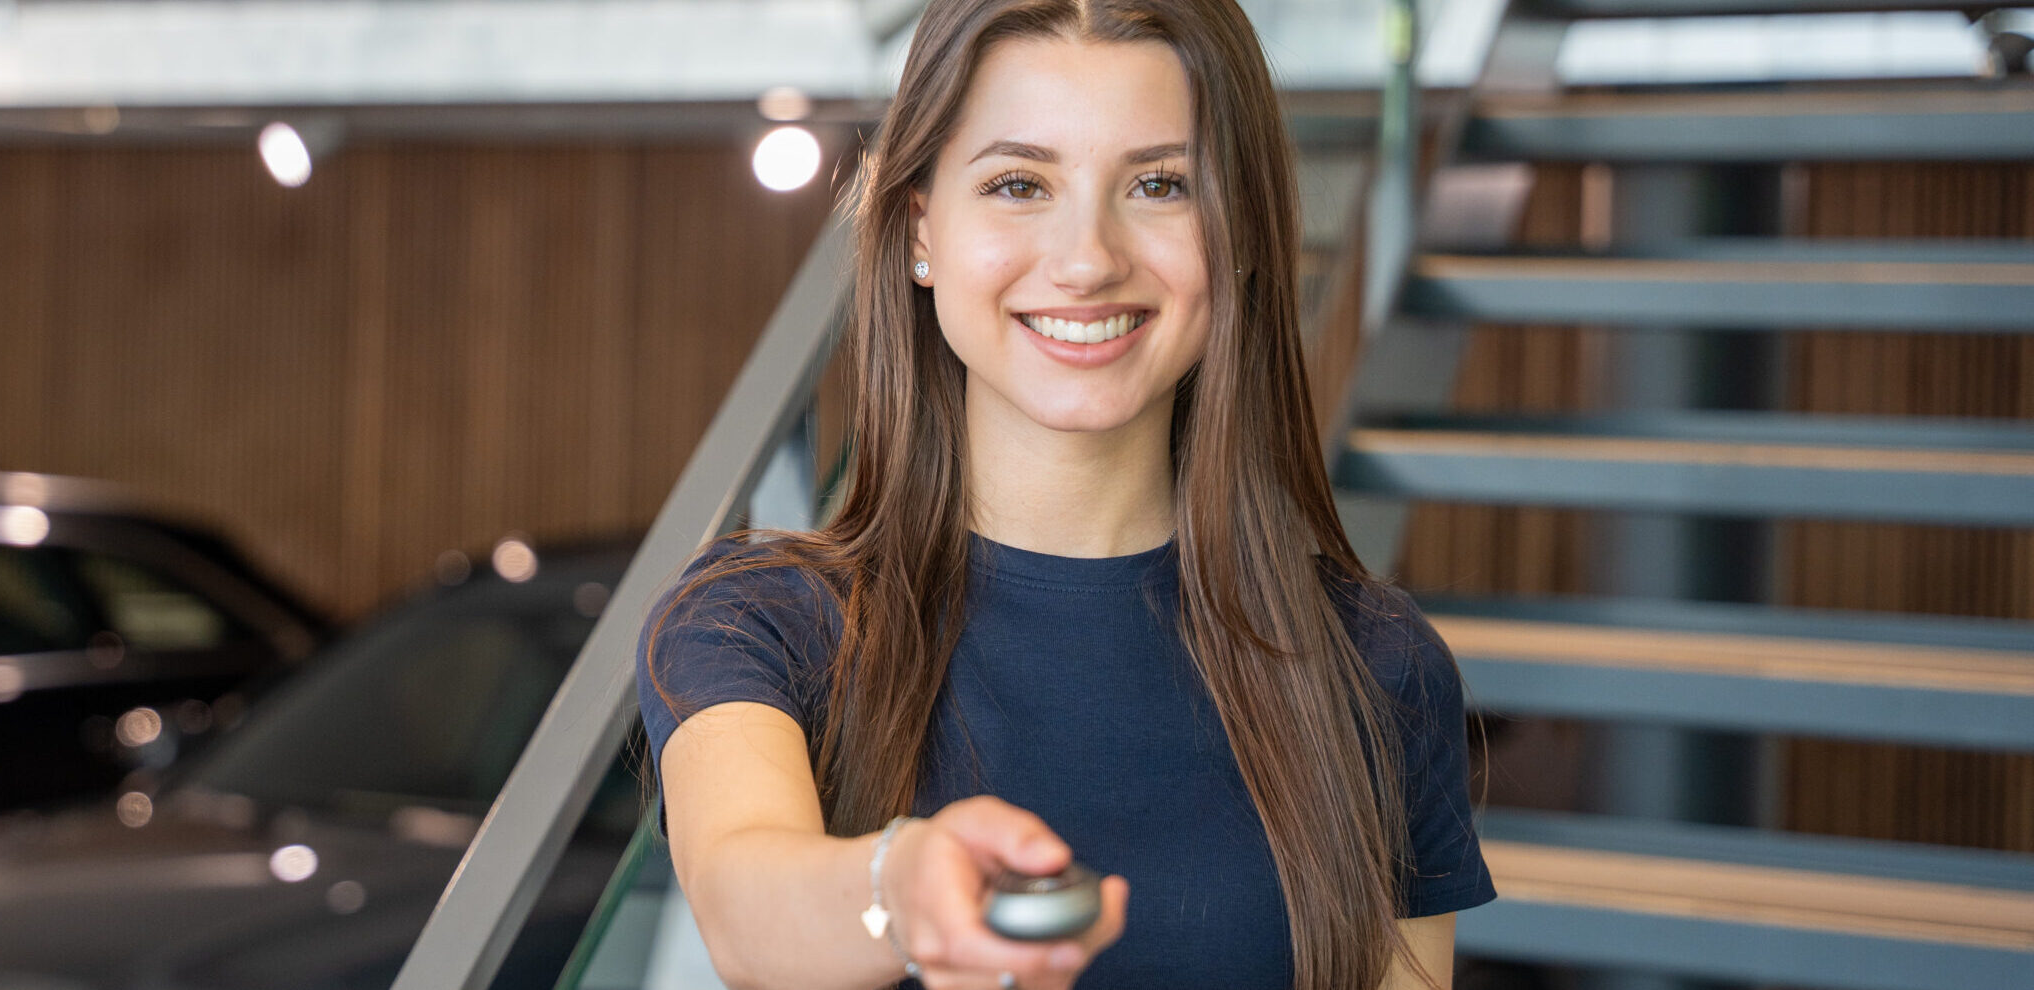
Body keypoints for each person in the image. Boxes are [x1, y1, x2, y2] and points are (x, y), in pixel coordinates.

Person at [634, 0, 1496, 987]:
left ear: (1240, 234)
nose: (1088, 259)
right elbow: (747, 904)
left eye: (1160, 184)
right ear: (921, 230)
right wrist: (899, 887)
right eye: (1018, 183)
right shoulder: (754, 621)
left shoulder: (1375, 663)